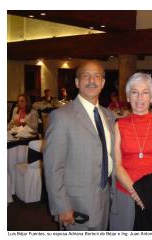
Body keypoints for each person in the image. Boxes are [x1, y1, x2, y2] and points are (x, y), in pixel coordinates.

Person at [44, 60, 115, 231]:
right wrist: (62, 206)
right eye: (86, 76)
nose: (92, 81)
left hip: (105, 199)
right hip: (76, 204)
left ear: (103, 83)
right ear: (77, 82)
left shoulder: (108, 115)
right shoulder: (61, 116)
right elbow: (53, 166)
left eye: (96, 76)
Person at [110, 72, 152, 230]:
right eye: (134, 92)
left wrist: (146, 191)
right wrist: (136, 192)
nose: (140, 98)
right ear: (128, 96)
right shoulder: (119, 125)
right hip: (125, 192)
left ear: (151, 97)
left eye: (145, 92)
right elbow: (117, 165)